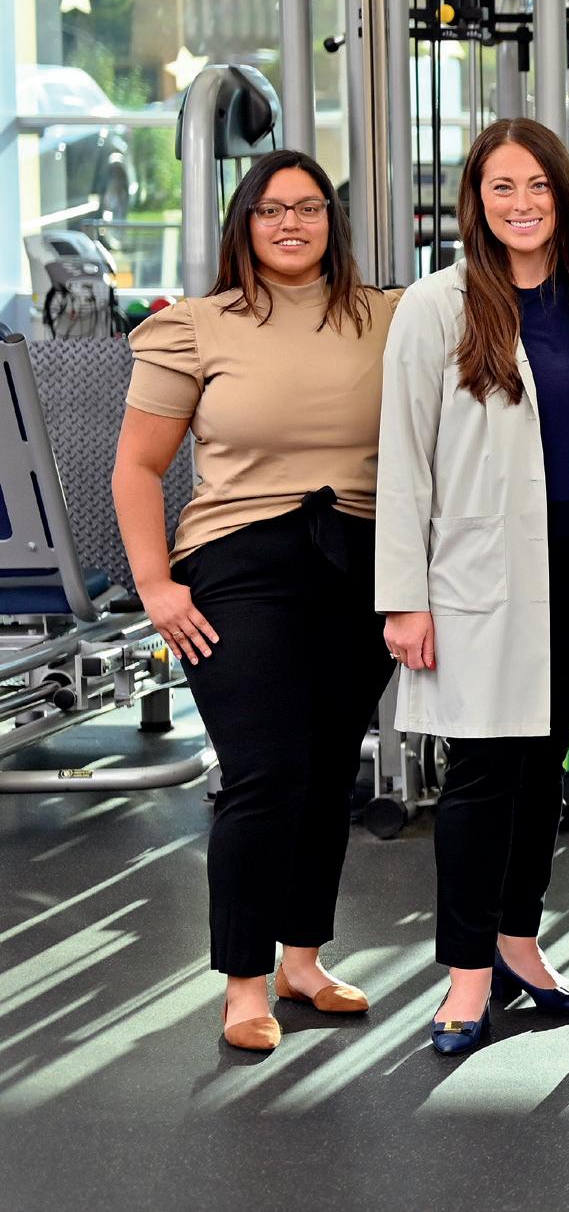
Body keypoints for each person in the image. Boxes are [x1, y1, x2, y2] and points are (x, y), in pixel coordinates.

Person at [111, 151, 399, 1054]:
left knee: (327, 769)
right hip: (238, 560)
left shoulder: (387, 316)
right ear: (244, 223)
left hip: (358, 555)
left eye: (308, 208)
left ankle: (302, 960)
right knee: (265, 769)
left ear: (331, 221)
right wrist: (156, 586)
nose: (290, 223)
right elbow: (137, 466)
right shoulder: (195, 327)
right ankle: (244, 981)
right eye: (271, 209)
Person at [376, 118, 569, 1055]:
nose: (521, 203)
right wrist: (404, 595)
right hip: (474, 570)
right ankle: (467, 970)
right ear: (475, 199)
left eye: (537, 185)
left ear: (563, 195)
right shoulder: (438, 305)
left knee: (544, 766)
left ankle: (518, 940)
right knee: (479, 771)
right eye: (501, 186)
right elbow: (403, 457)